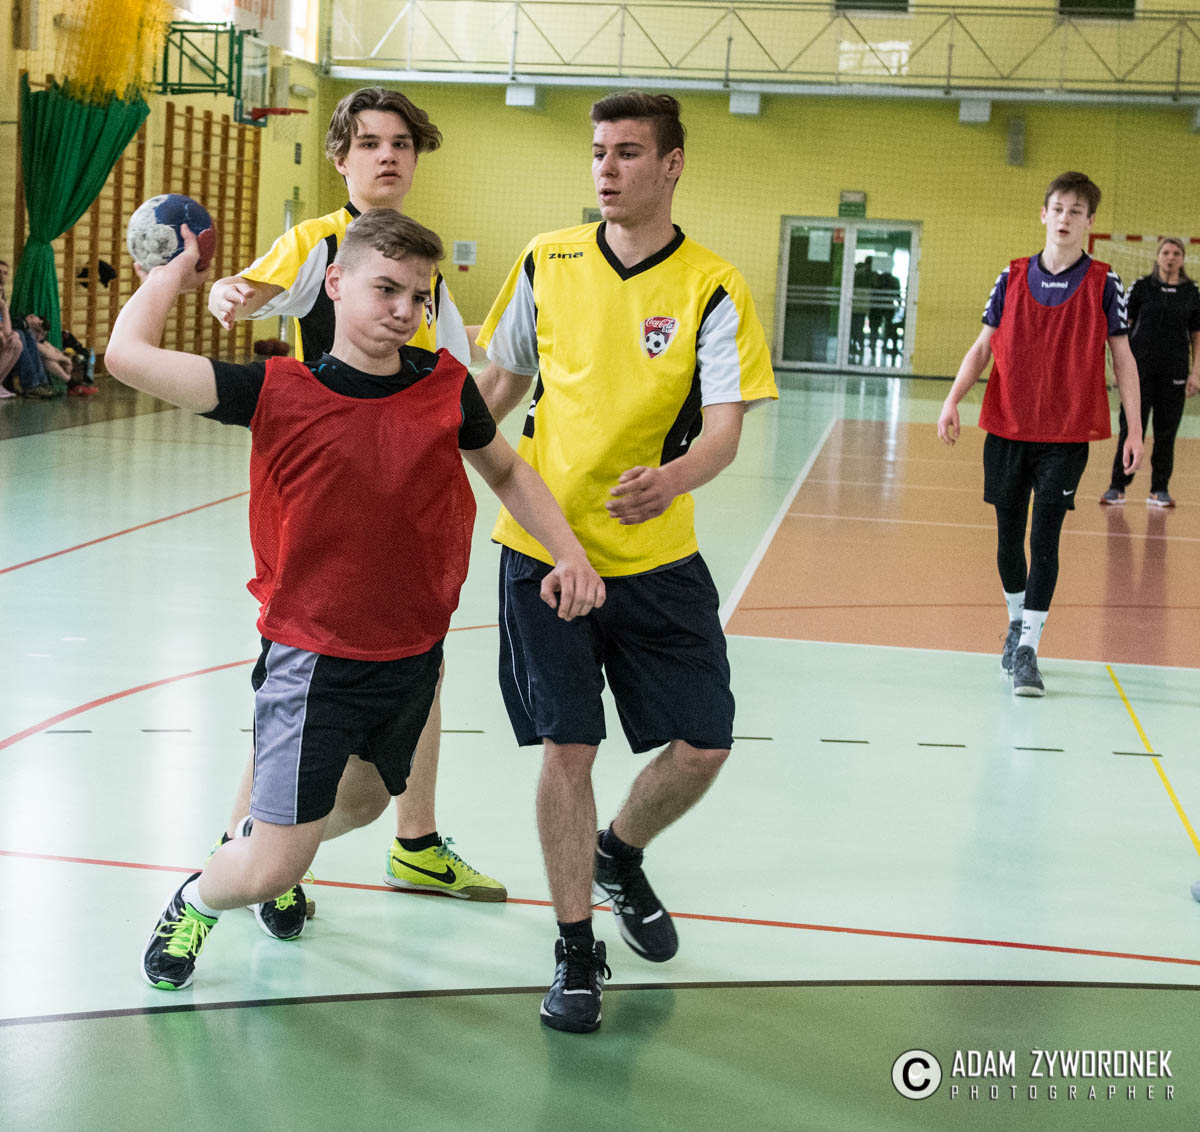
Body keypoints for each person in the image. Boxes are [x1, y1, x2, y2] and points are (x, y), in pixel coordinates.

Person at [104, 210, 605, 991]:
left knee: (367, 805)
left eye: (419, 296)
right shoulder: (276, 390)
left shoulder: (446, 387)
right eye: (386, 289)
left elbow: (507, 471)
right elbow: (126, 356)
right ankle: (199, 899)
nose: (405, 310)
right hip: (314, 660)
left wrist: (568, 551)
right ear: (335, 283)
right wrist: (172, 272)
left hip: (411, 657)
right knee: (275, 869)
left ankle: (260, 835)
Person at [475, 91, 777, 1033]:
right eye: (599, 152)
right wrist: (421, 452)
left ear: (673, 164)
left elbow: (723, 430)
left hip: (656, 557)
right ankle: (575, 951)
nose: (607, 169)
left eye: (629, 153)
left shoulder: (713, 286)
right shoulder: (546, 259)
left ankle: (619, 851)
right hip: (543, 553)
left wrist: (673, 479)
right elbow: (496, 386)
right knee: (569, 747)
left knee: (705, 743)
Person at [206, 87, 504, 933]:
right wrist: (231, 292)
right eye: (370, 142)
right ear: (340, 157)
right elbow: (254, 288)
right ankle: (246, 847)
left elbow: (461, 387)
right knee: (293, 696)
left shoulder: (418, 268)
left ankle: (415, 839)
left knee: (421, 669)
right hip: (327, 520)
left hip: (411, 515)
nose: (388, 156)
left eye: (402, 143)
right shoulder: (321, 243)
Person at [937, 171, 1143, 697]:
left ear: (1090, 222)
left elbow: (1123, 359)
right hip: (1008, 426)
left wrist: (1135, 430)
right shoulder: (1011, 276)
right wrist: (952, 399)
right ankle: (1015, 622)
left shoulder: (1105, 283)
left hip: (1066, 434)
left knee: (1044, 538)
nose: (1065, 218)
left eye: (1077, 211)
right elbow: (982, 347)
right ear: (1044, 214)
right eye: (1059, 208)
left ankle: (1028, 648)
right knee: (1008, 539)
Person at [1100, 237, 1200, 508]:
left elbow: (1197, 336)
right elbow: (1121, 329)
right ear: (1158, 257)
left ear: (1183, 259)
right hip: (1139, 371)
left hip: (1175, 371)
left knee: (1166, 433)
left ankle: (1159, 489)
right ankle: (1117, 486)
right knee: (1131, 427)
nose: (1171, 257)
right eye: (1166, 252)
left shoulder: (1192, 293)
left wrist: (1196, 373)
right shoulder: (1142, 287)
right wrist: (1117, 369)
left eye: (1176, 253)